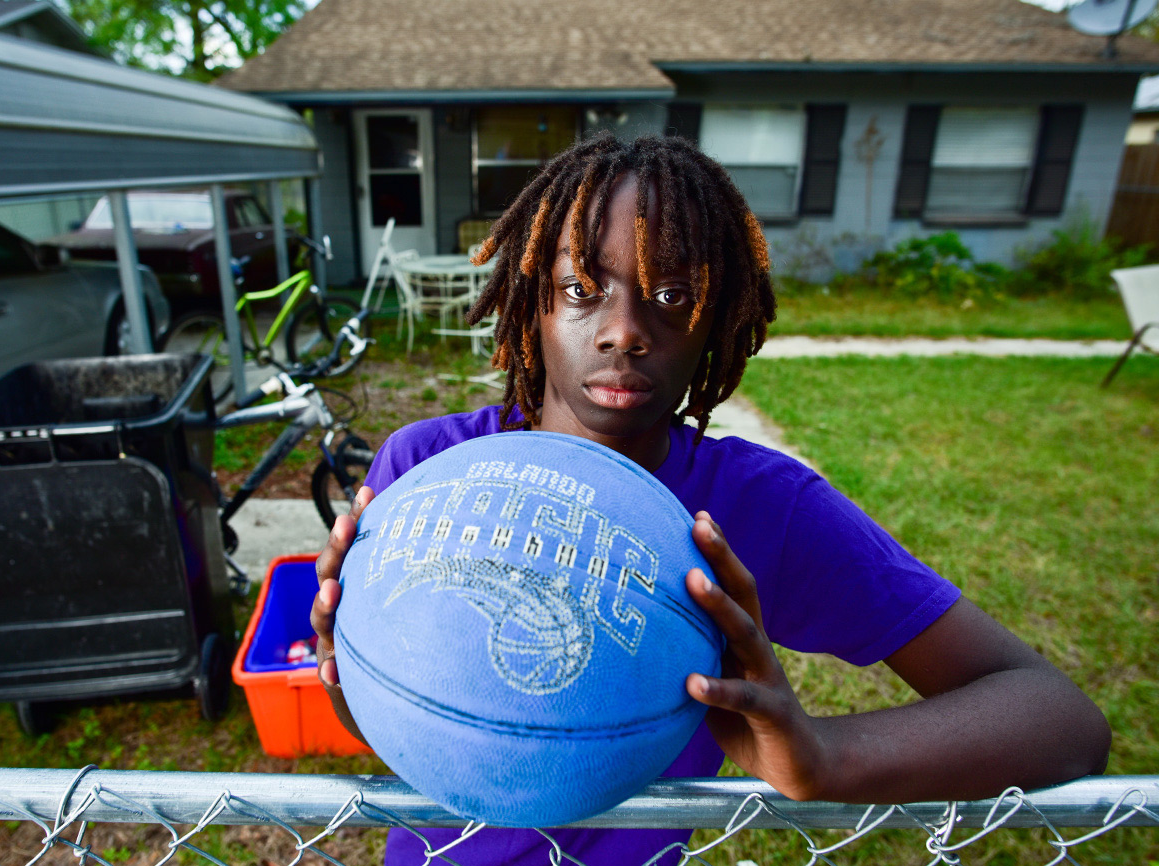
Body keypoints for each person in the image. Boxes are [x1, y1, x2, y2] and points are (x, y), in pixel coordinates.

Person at [310, 133, 1110, 865]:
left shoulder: (760, 508)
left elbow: (1062, 721)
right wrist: (351, 677)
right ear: (535, 302)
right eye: (582, 288)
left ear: (715, 318)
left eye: (669, 296)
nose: (624, 330)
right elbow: (403, 731)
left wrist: (821, 756)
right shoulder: (431, 466)